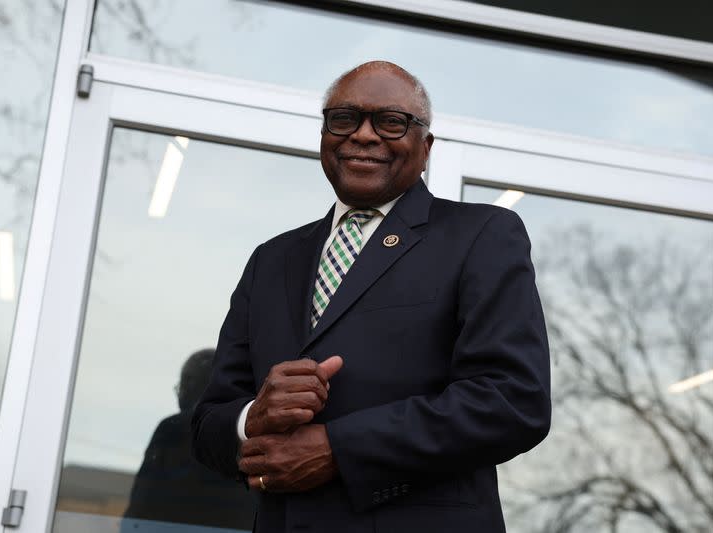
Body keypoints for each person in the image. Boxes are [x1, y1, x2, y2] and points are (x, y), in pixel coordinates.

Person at [191, 61, 551, 533]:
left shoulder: (482, 235)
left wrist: (339, 449)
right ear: (324, 135)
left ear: (425, 148)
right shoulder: (271, 260)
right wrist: (251, 419)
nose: (362, 135)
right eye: (344, 118)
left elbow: (512, 400)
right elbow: (208, 424)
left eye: (390, 121)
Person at [122, 349, 254, 531]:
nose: (179, 394)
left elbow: (141, 503)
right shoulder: (248, 431)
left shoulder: (173, 430)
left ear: (191, 384)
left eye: (181, 385)